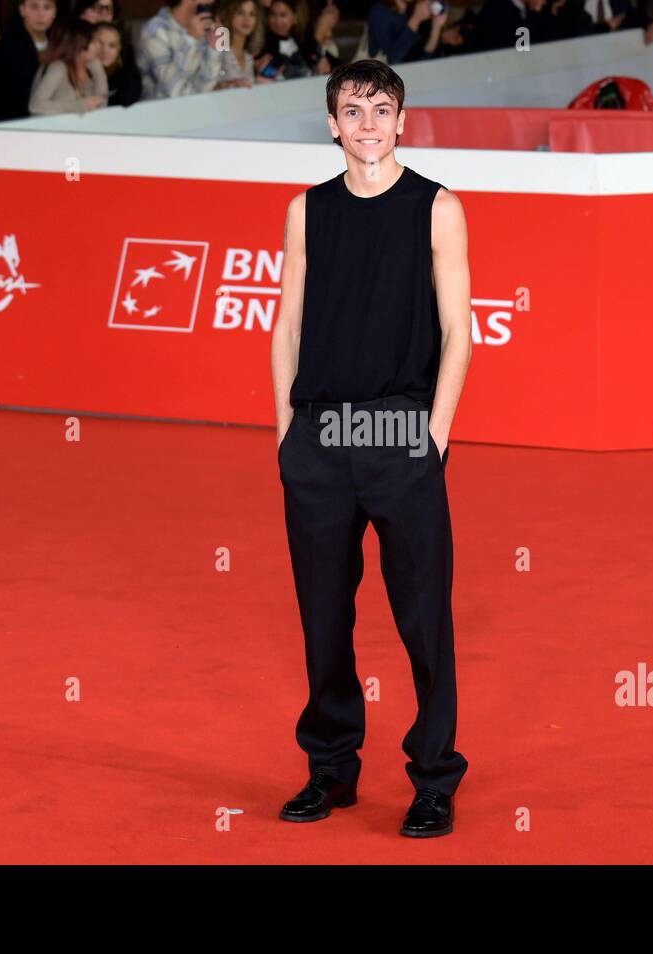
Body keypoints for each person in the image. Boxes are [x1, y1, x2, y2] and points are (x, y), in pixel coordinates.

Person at [271, 59, 472, 838]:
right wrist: (287, 435)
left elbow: (460, 332)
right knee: (323, 616)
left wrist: (435, 436)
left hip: (401, 433)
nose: (366, 124)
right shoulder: (306, 211)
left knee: (423, 616)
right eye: (352, 110)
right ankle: (330, 770)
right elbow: (286, 325)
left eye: (380, 109)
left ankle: (434, 778)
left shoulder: (438, 208)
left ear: (401, 120)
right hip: (318, 436)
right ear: (331, 123)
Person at [135, 0, 221, 99]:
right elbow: (175, 92)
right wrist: (191, 40)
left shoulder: (204, 23)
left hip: (197, 108)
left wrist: (214, 49)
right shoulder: (155, 30)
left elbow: (208, 86)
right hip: (160, 111)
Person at [0, 0, 55, 119]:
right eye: (34, 7)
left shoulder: (61, 45)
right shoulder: (4, 48)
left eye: (47, 7)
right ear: (22, 10)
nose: (41, 14)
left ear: (54, 12)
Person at [29, 16, 107, 112]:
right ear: (78, 44)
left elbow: (101, 107)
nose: (99, 46)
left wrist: (99, 73)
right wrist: (79, 106)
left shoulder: (90, 67)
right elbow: (35, 105)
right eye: (93, 41)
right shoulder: (58, 68)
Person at [366, 0, 446, 63]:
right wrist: (416, 20)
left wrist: (437, 26)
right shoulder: (379, 12)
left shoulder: (416, 7)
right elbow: (392, 59)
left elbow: (425, 55)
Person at [212, 0, 261, 88]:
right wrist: (227, 86)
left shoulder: (248, 57)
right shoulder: (219, 50)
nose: (247, 19)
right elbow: (205, 86)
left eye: (252, 14)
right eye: (240, 13)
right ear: (229, 15)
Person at [90, 19, 141, 103]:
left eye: (112, 45)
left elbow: (127, 100)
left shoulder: (129, 76)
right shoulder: (76, 74)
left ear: (119, 49)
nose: (105, 50)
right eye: (99, 43)